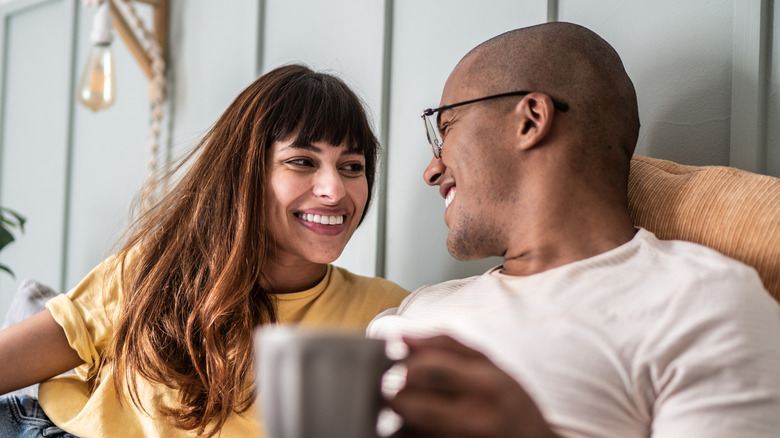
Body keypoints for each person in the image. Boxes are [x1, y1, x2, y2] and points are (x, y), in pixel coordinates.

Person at [368, 22, 780, 438]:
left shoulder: (703, 306)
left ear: (530, 120)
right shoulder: (416, 309)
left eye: (446, 129)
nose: (432, 169)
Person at [0, 64, 408, 437]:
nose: (334, 190)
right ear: (246, 172)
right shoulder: (156, 271)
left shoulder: (388, 314)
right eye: (302, 161)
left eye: (352, 167)